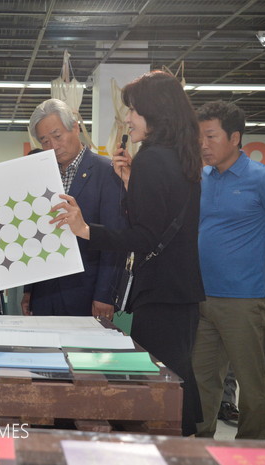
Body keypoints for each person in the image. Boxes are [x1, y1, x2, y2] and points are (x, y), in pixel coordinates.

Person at [52, 71, 205, 436]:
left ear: (155, 113)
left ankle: (175, 450)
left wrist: (85, 230)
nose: (128, 119)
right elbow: (162, 220)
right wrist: (130, 183)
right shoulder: (181, 156)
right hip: (181, 290)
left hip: (159, 293)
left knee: (163, 389)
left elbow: (144, 236)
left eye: (134, 110)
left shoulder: (152, 159)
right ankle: (187, 443)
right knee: (177, 377)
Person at [192, 100, 265, 440]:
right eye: (199, 137)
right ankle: (198, 452)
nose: (203, 145)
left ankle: (251, 454)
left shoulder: (262, 179)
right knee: (201, 382)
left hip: (245, 301)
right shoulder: (202, 178)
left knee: (252, 386)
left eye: (211, 136)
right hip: (202, 298)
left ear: (235, 138)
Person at [20, 99, 126, 319]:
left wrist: (105, 294)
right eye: (44, 141)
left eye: (57, 136)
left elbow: (115, 238)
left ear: (75, 127)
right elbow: (34, 233)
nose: (53, 146)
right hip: (44, 292)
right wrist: (29, 289)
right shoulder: (39, 175)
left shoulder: (107, 172)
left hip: (87, 293)